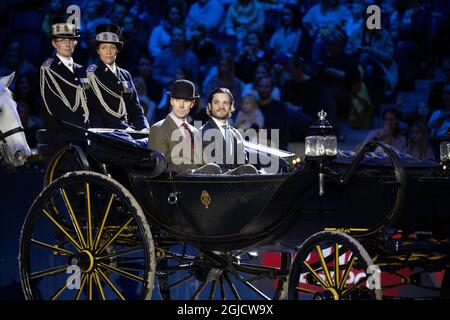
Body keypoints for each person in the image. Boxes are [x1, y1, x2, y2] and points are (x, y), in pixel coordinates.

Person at [86, 24, 149, 133]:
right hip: (104, 132)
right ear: (97, 50)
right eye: (104, 48)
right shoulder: (91, 75)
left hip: (128, 130)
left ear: (117, 50)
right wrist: (126, 129)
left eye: (112, 47)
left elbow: (135, 107)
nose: (108, 52)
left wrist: (143, 128)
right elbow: (99, 111)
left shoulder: (125, 74)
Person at [148, 79, 220, 174]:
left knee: (245, 169)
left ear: (192, 103)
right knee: (212, 168)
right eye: (177, 100)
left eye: (186, 101)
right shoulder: (159, 129)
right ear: (171, 101)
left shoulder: (195, 131)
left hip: (202, 179)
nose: (181, 106)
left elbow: (205, 162)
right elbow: (158, 167)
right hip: (180, 182)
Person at [40, 16, 91, 148]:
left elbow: (88, 101)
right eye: (62, 40)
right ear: (54, 43)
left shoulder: (80, 69)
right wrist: (83, 127)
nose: (67, 44)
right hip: (62, 133)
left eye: (71, 40)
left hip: (83, 131)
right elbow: (56, 106)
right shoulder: (48, 68)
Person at [202, 87, 258, 175]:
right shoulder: (201, 133)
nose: (221, 106)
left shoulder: (236, 134)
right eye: (216, 102)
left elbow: (243, 164)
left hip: (237, 184)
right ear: (210, 106)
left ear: (231, 106)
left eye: (225, 103)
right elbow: (209, 168)